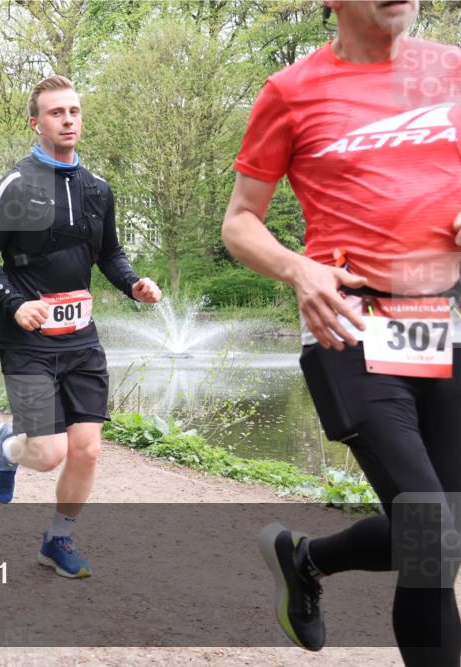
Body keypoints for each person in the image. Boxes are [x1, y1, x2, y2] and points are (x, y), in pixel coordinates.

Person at [222, 1, 460, 663]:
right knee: (431, 534)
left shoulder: (453, 73)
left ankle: (305, 558)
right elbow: (240, 221)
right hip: (349, 328)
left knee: (444, 531)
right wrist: (298, 269)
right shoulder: (292, 91)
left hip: (442, 325)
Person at [0, 75, 162, 578]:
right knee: (49, 453)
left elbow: (110, 254)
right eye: (56, 113)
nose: (68, 120)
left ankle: (58, 539)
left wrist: (134, 284)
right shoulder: (18, 184)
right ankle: (10, 443)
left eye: (74, 111)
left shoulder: (98, 188)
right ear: (36, 123)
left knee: (88, 449)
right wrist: (14, 303)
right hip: (28, 340)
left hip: (81, 339)